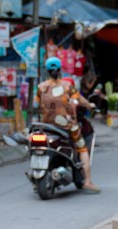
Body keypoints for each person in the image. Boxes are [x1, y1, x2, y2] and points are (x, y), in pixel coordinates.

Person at [37, 57, 99, 194]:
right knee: (82, 148)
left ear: (47, 71)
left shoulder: (40, 87)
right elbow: (80, 100)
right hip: (67, 126)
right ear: (59, 70)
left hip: (46, 125)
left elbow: (38, 103)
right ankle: (87, 181)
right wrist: (90, 105)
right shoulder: (67, 86)